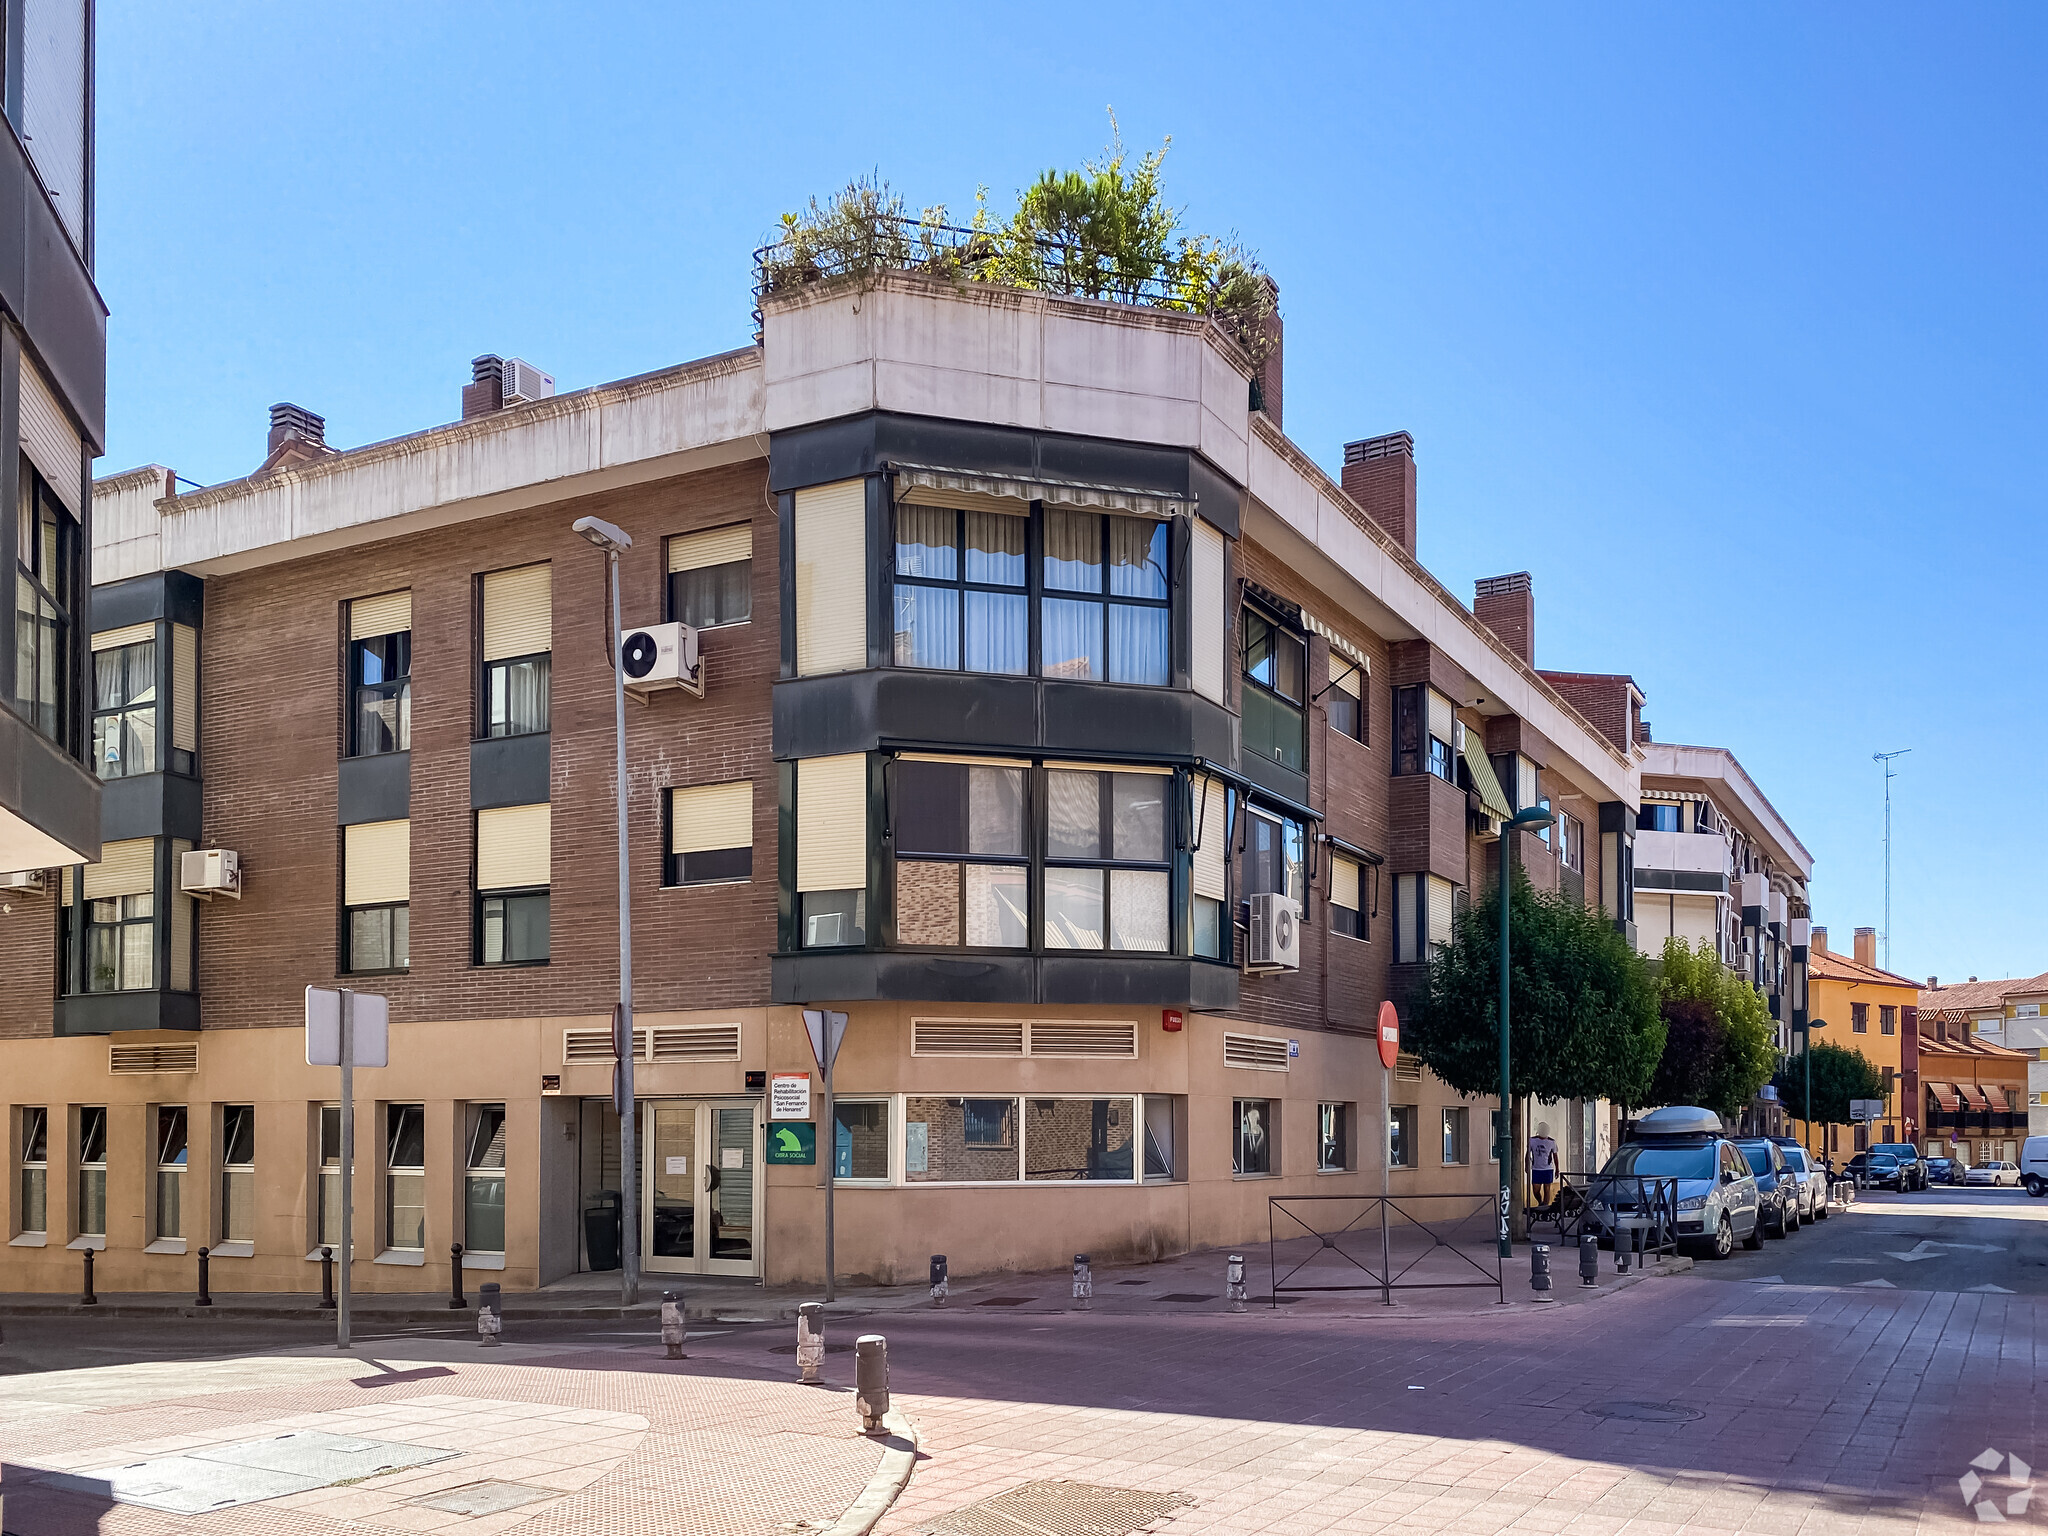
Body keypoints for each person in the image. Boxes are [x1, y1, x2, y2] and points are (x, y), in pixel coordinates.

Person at [1527, 1121, 1559, 1209]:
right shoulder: (1532, 1140)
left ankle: (1545, 1207)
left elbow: (1555, 1156)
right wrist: (1527, 1165)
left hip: (1548, 1168)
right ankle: (1540, 1202)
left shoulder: (1551, 1142)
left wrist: (1557, 1169)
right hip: (1536, 1169)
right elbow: (1528, 1153)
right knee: (1535, 1190)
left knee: (1547, 1189)